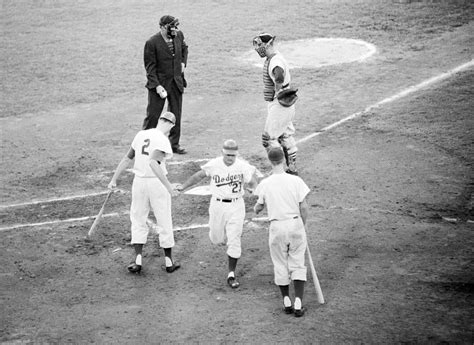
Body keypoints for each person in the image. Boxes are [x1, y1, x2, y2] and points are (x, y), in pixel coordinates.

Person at [177, 139, 258, 288]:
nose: (230, 158)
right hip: (217, 205)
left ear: (237, 155)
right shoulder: (214, 164)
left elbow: (252, 181)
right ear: (222, 153)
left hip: (236, 206)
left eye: (233, 155)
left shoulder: (242, 166)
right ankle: (222, 236)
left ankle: (231, 274)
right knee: (216, 238)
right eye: (227, 155)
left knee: (234, 240)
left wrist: (254, 189)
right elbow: (198, 176)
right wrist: (183, 186)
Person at [108, 112, 181, 274]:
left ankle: (137, 260)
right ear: (171, 125)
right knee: (164, 219)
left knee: (138, 218)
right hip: (157, 185)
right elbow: (154, 163)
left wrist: (114, 179)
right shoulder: (163, 140)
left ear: (159, 120)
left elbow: (127, 159)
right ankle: (169, 262)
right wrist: (169, 187)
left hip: (139, 183)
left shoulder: (141, 134)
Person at [253, 146, 310, 317]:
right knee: (298, 263)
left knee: (280, 264)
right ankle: (298, 303)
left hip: (276, 227)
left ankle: (287, 301)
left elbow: (258, 208)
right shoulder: (296, 181)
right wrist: (303, 226)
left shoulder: (265, 183)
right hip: (295, 224)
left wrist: (257, 204)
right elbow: (304, 206)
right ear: (284, 160)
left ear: (270, 161)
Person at [253, 32, 299, 175]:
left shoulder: (274, 61)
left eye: (260, 45)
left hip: (279, 105)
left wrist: (277, 90)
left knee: (269, 139)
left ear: (269, 44)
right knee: (285, 135)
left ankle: (277, 171)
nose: (258, 49)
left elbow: (279, 76)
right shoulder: (275, 57)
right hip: (286, 104)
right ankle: (292, 168)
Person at [143, 15, 189, 154]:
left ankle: (173, 144)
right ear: (163, 27)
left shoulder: (179, 35)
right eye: (171, 26)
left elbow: (184, 48)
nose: (175, 29)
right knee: (153, 116)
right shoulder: (152, 42)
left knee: (176, 114)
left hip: (176, 82)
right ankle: (145, 143)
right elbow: (150, 68)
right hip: (160, 85)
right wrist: (157, 86)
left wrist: (182, 62)